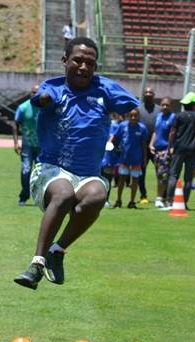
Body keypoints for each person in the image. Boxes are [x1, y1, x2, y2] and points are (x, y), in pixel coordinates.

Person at [13, 37, 139, 289]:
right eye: (77, 61)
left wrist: (125, 109)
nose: (83, 67)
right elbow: (39, 98)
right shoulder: (55, 88)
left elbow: (132, 105)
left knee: (98, 194)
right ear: (64, 61)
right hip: (51, 170)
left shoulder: (104, 89)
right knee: (63, 193)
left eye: (90, 63)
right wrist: (44, 100)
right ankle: (36, 264)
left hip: (87, 174)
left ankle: (57, 251)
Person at [113, 109, 149, 209]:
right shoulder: (122, 126)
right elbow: (115, 138)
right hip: (124, 158)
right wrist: (114, 149)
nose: (133, 118)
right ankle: (118, 200)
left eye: (135, 116)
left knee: (135, 180)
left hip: (136, 158)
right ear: (128, 116)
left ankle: (132, 202)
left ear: (138, 116)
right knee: (122, 179)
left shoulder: (142, 128)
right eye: (131, 115)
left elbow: (144, 144)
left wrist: (145, 158)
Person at [13, 84, 40, 206]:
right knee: (26, 170)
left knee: (41, 173)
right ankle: (24, 195)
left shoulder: (46, 108)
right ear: (30, 93)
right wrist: (15, 142)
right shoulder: (23, 107)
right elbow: (15, 124)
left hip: (43, 147)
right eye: (33, 92)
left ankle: (41, 197)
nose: (35, 95)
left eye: (38, 92)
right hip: (27, 146)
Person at [148, 97, 174, 208]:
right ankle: (163, 198)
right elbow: (155, 132)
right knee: (160, 175)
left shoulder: (173, 118)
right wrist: (151, 144)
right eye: (163, 104)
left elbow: (173, 133)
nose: (164, 107)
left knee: (163, 175)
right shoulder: (158, 117)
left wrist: (171, 147)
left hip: (166, 150)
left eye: (167, 105)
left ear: (171, 106)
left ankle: (160, 198)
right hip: (157, 151)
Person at [137, 87, 158, 204]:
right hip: (142, 146)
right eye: (146, 92)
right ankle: (143, 195)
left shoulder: (159, 110)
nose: (148, 94)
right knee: (141, 172)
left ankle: (162, 196)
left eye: (150, 92)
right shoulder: (138, 109)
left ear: (154, 95)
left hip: (156, 146)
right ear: (143, 94)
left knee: (160, 171)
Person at [102, 113, 123, 208]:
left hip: (108, 155)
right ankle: (103, 199)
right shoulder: (109, 124)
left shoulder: (113, 125)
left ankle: (105, 199)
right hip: (104, 154)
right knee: (103, 177)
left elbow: (112, 138)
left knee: (106, 177)